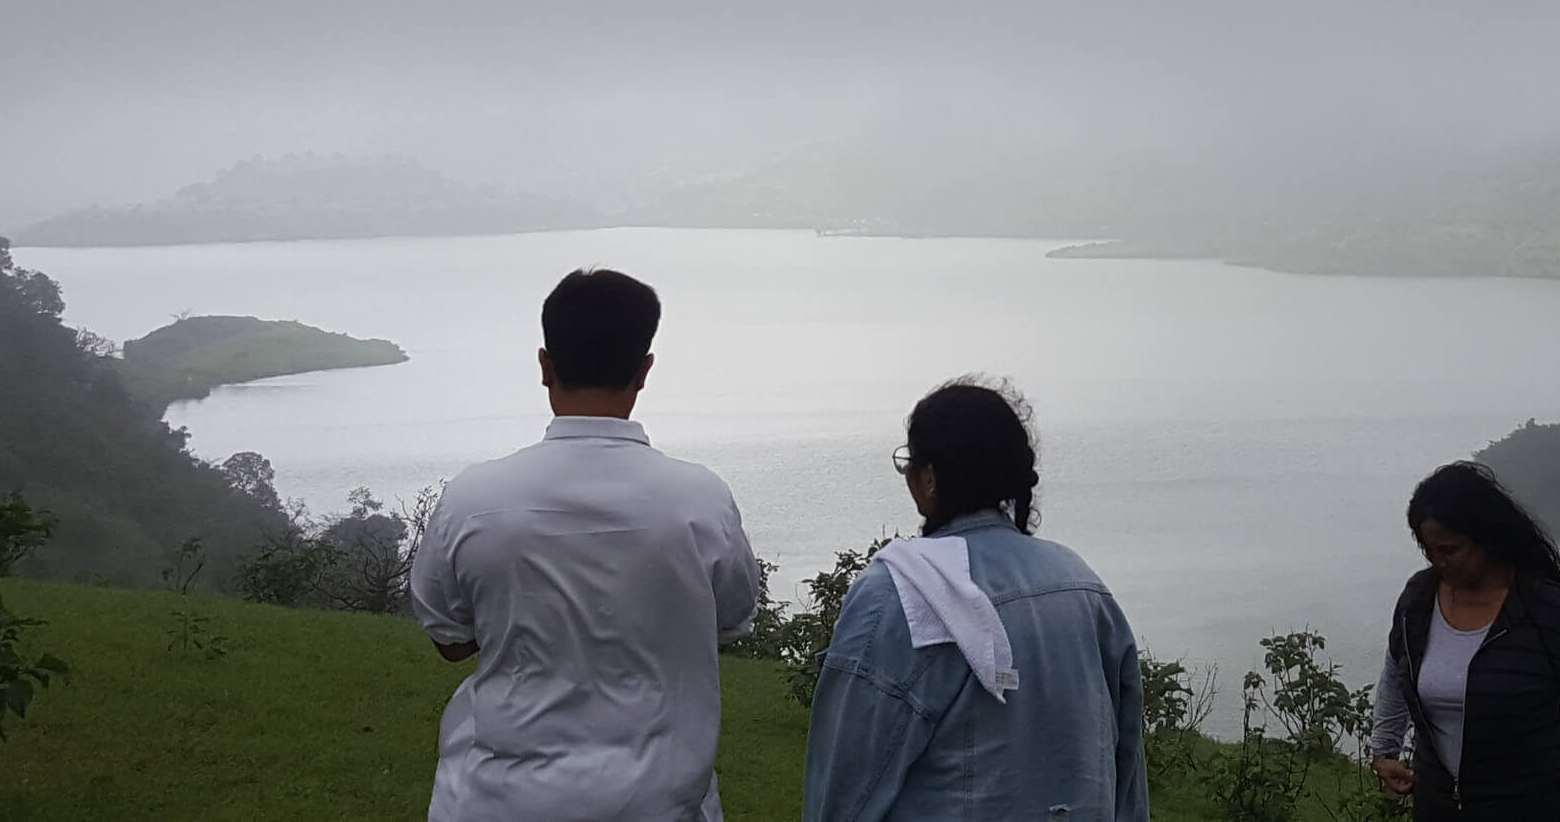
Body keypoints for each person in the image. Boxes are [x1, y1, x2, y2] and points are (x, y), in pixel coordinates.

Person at [409, 266, 761, 822]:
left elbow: (450, 639)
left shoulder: (474, 499)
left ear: (545, 365)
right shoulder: (701, 500)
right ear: (644, 370)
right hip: (660, 801)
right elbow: (730, 623)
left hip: (495, 797)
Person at [801, 380, 1149, 822]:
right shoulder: (1083, 586)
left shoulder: (898, 594)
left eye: (909, 463)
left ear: (929, 478)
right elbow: (1127, 776)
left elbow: (844, 789)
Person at [1367, 462, 1560, 821]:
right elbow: (1398, 663)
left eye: (1449, 550)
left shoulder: (1543, 608)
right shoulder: (1419, 599)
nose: (1439, 563)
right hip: (1437, 807)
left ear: (1486, 538)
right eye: (1429, 551)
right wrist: (1384, 749)